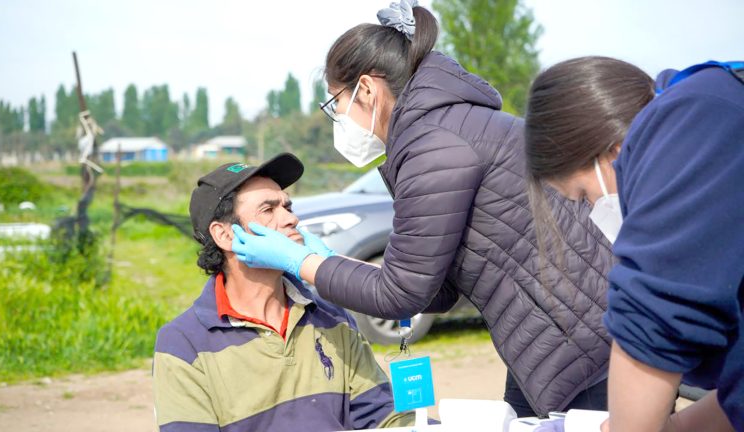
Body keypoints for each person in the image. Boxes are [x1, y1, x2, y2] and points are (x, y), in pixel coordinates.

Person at [230, 0, 616, 417]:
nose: (337, 116)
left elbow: (400, 293)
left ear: (366, 89)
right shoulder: (446, 127)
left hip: (582, 345)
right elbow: (436, 287)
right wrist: (333, 263)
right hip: (562, 336)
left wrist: (302, 261)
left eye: (334, 103)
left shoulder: (432, 145)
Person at [524, 57, 743, 431]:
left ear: (612, 151)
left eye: (582, 194)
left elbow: (656, 313)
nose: (594, 210)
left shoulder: (690, 119)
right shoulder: (711, 113)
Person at [152, 153, 414, 431]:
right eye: (268, 209)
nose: (291, 218)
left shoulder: (332, 319)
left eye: (287, 206)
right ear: (225, 235)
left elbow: (383, 415)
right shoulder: (183, 343)